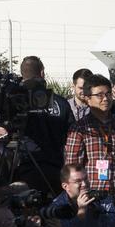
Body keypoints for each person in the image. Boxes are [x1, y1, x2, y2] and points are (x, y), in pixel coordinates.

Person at [63, 73, 115, 202]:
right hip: (92, 197)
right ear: (87, 98)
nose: (105, 99)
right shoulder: (80, 128)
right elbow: (72, 167)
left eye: (108, 94)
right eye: (99, 95)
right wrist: (78, 200)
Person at [9, 56, 74, 195]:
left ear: (22, 74)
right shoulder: (61, 102)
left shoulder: (15, 102)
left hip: (27, 170)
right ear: (42, 72)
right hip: (56, 169)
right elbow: (72, 136)